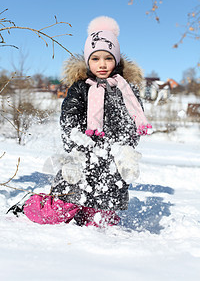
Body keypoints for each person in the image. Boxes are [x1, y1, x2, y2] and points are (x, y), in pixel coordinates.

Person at [23, 16, 152, 227]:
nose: (102, 64)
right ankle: (29, 205)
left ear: (117, 60)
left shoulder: (126, 90)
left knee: (100, 223)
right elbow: (69, 117)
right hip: (82, 159)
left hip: (111, 166)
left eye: (108, 58)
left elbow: (132, 123)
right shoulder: (81, 88)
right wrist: (76, 142)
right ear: (87, 60)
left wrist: (125, 149)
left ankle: (91, 217)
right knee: (57, 212)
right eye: (95, 58)